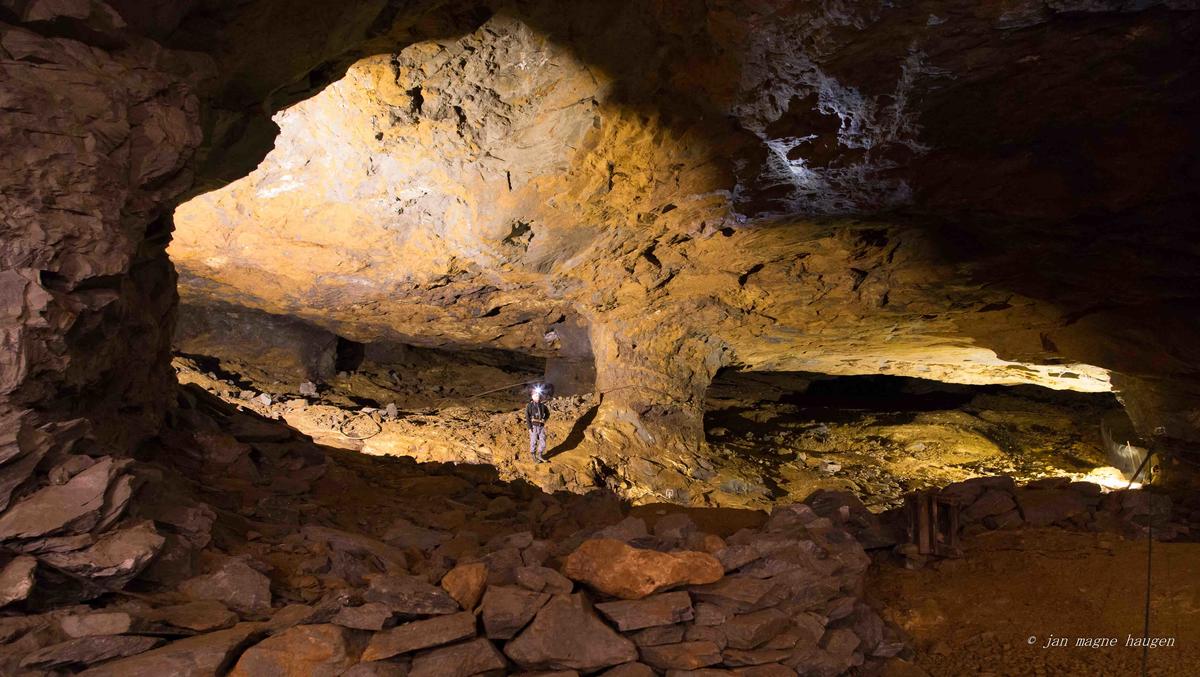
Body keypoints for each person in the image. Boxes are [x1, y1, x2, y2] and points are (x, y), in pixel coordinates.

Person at [525, 387, 550, 463]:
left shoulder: (543, 406)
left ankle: (540, 454)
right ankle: (533, 456)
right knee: (533, 441)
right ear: (532, 397)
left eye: (538, 395)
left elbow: (548, 414)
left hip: (541, 426)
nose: (537, 397)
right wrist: (529, 427)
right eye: (535, 395)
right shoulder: (530, 406)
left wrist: (544, 419)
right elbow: (527, 416)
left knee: (543, 441)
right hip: (533, 426)